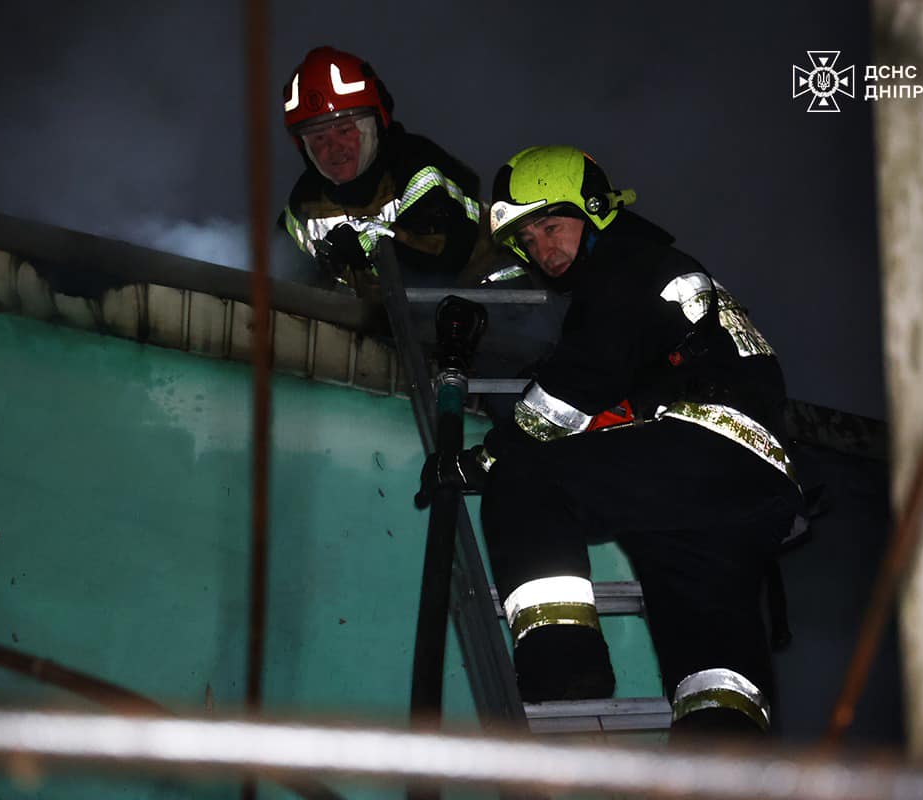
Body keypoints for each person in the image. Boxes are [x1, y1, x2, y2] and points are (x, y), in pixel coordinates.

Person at [419, 145, 802, 740]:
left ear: (593, 209)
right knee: (710, 659)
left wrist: (482, 460)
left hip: (701, 444)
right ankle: (721, 761)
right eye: (528, 240)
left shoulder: (625, 267)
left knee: (527, 482)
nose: (544, 251)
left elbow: (571, 392)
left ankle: (562, 665)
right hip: (747, 481)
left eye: (552, 225)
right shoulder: (655, 268)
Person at [278, 46, 485, 293]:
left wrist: (369, 247)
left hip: (485, 317)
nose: (334, 149)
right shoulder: (304, 205)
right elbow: (282, 285)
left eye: (345, 131)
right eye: (319, 139)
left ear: (377, 123)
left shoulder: (419, 169)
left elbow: (437, 268)